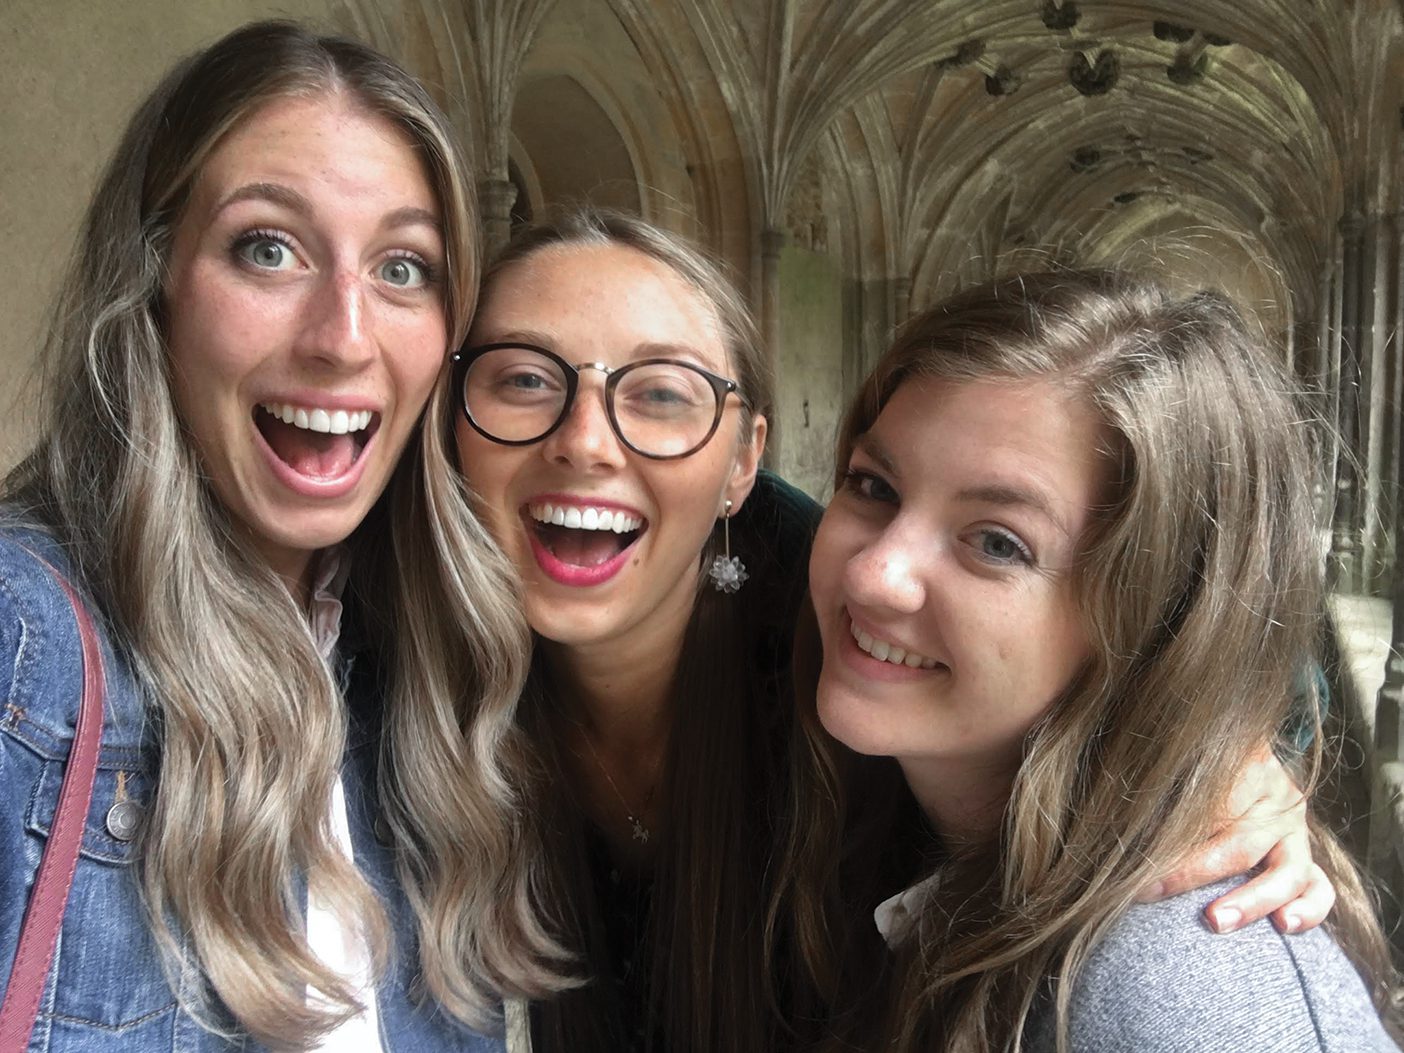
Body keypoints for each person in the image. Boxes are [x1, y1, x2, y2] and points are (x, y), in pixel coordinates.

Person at [452, 211, 1339, 1052]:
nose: (586, 442)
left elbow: (1221, 627)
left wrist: (1235, 757)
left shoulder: (817, 642)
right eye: (525, 378)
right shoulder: (402, 655)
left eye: (662, 395)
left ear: (743, 464)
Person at [0, 21, 556, 1052]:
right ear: (153, 285)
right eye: (268, 248)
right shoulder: (20, 644)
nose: (343, 336)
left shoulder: (418, 683)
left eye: (402, 268)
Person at [790, 269, 1402, 1050]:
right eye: (873, 484)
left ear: (1161, 618)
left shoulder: (1190, 1000)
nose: (872, 572)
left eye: (997, 542)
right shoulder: (882, 804)